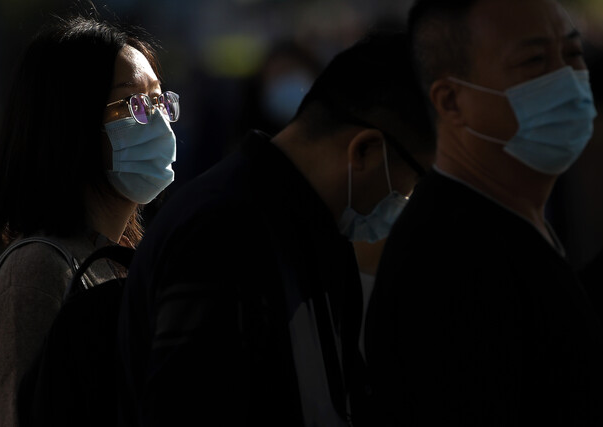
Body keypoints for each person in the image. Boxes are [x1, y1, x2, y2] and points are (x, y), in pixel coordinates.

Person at [117, 30, 435, 426]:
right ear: (366, 150)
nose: (407, 200)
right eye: (414, 181)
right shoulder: (221, 234)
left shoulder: (313, 232)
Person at [365, 0, 603, 425]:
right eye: (534, 60)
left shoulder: (508, 218)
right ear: (452, 100)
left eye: (573, 54)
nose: (568, 79)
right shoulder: (447, 258)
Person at [0, 13, 178, 427]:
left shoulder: (122, 259)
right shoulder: (36, 269)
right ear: (70, 120)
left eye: (158, 100)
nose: (156, 120)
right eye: (131, 103)